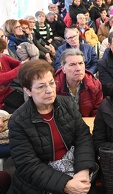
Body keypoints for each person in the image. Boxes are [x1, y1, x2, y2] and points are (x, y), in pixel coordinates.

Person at [9, 60, 95, 193]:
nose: (49, 90)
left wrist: (82, 170)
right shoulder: (18, 121)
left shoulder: (67, 104)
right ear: (28, 90)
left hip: (74, 167)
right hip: (42, 181)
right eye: (41, 87)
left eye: (51, 83)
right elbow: (27, 164)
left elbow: (83, 137)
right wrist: (65, 184)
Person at [54, 48, 103, 117]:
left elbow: (97, 112)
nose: (78, 68)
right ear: (63, 69)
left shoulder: (95, 85)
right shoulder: (54, 87)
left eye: (80, 63)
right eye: (72, 64)